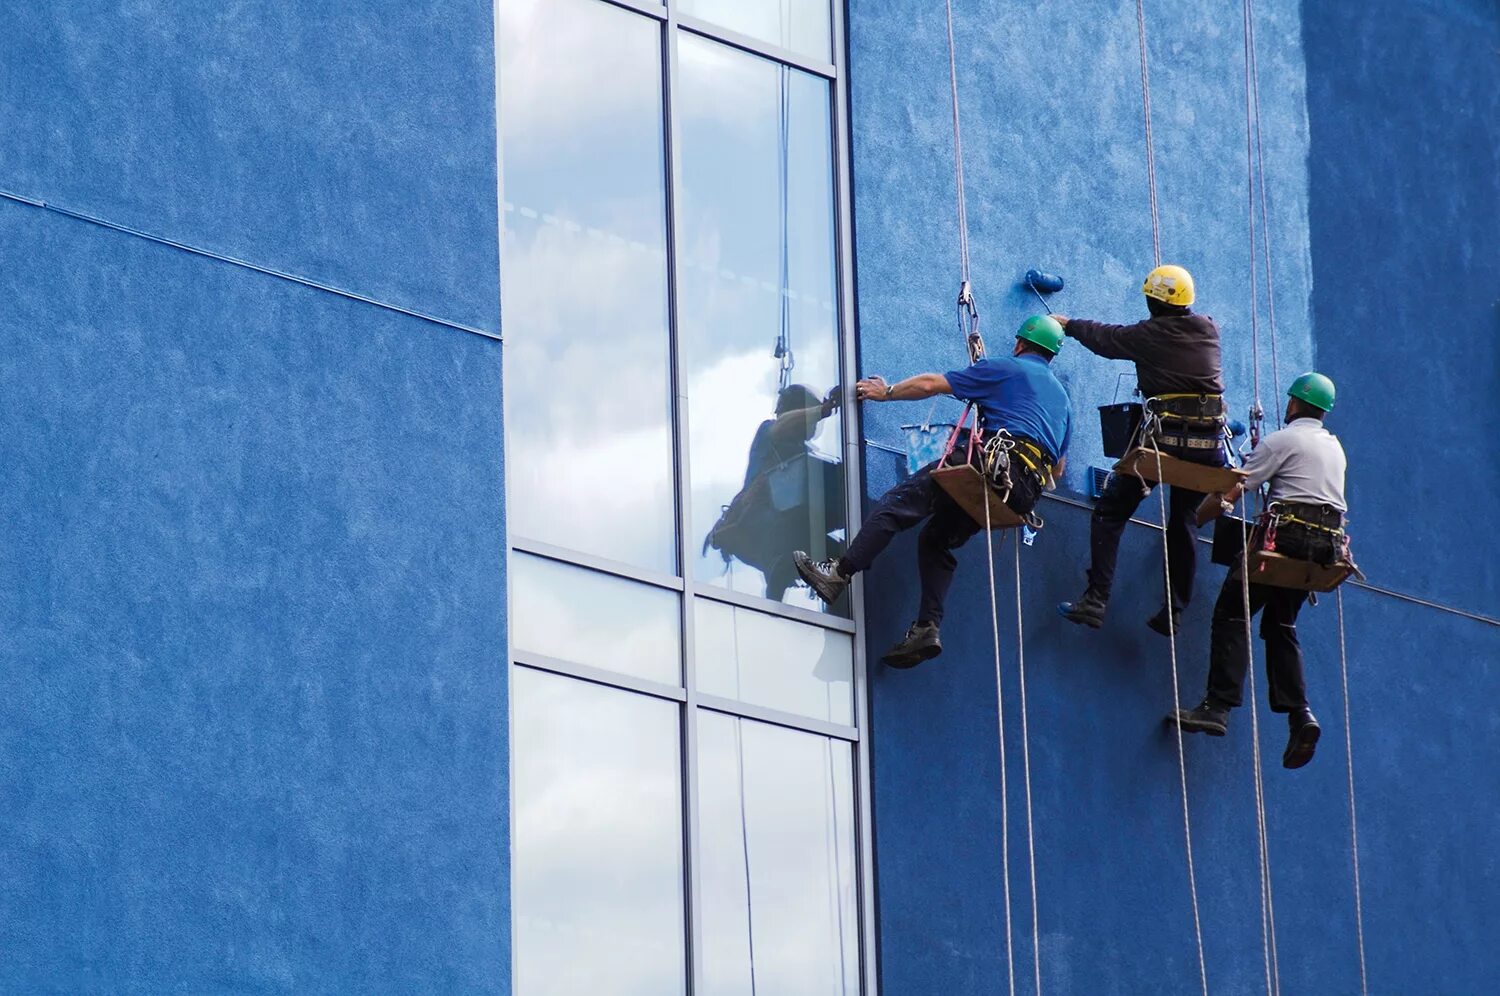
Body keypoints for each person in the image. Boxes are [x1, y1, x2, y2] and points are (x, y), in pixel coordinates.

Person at [793, 317, 1072, 667]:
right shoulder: (1063, 400)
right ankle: (927, 627)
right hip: (1020, 494)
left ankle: (838, 573)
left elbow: (930, 384)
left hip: (993, 465)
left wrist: (887, 391)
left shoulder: (1005, 369)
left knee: (896, 505)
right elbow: (1058, 469)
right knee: (936, 541)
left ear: (1019, 344)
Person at [1171, 373, 1347, 769]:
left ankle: (1217, 707)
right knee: (1280, 625)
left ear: (1293, 405)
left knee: (1232, 610)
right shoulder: (1335, 448)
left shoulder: (1282, 440)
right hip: (1322, 549)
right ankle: (1300, 714)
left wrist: (1191, 523)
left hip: (1287, 539)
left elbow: (1232, 492)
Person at [1051, 264, 1228, 635]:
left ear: (1153, 301)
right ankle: (1174, 611)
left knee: (1111, 512)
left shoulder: (1149, 335)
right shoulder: (1208, 328)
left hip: (1164, 443)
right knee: (1183, 522)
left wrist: (1068, 324)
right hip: (1208, 448)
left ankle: (1095, 599)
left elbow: (1106, 338)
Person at [703, 384, 845, 601]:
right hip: (763, 523)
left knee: (843, 559)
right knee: (784, 556)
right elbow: (782, 426)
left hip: (788, 530)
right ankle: (780, 571)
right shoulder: (769, 432)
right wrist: (822, 410)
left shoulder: (803, 455)